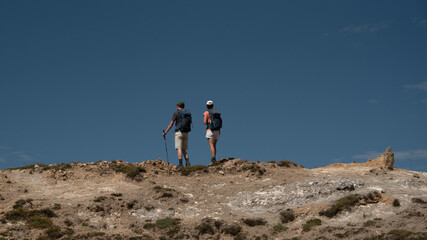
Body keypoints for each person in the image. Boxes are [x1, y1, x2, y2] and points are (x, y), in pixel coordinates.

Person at [163, 101, 191, 168]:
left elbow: (171, 124)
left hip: (179, 132)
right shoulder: (187, 113)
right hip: (186, 132)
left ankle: (180, 164)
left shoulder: (176, 113)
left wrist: (165, 132)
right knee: (184, 149)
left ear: (178, 106)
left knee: (179, 148)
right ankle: (188, 163)